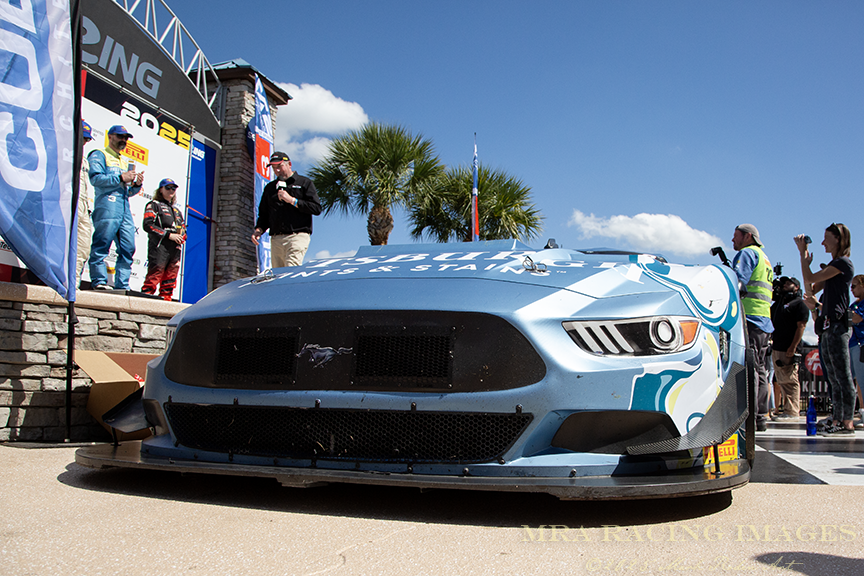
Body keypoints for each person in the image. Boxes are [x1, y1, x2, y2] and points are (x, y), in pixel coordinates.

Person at [795, 223, 855, 436]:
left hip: (838, 326)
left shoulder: (843, 264)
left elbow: (810, 278)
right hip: (828, 326)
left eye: (826, 238)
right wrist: (804, 259)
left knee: (842, 375)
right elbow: (810, 287)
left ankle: (847, 422)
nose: (822, 243)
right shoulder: (833, 267)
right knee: (833, 377)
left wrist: (803, 257)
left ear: (838, 239)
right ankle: (837, 418)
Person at [87, 125, 144, 290]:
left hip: (124, 206)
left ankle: (122, 285)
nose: (123, 140)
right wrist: (120, 177)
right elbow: (96, 179)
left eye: (126, 138)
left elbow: (127, 191)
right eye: (120, 136)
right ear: (110, 136)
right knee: (102, 243)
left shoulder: (124, 161)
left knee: (128, 247)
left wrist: (136, 185)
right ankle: (99, 281)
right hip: (107, 204)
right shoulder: (99, 154)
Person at [731, 224, 774, 432]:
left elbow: (737, 282)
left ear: (748, 236)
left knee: (751, 368)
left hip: (749, 317)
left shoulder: (747, 253)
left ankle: (750, 416)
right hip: (764, 319)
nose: (733, 241)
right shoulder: (764, 257)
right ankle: (760, 416)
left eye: (736, 236)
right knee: (761, 368)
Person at [251, 152, 322, 268]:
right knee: (278, 274)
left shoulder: (304, 183)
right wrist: (259, 230)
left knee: (291, 268)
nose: (277, 171)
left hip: (297, 236)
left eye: (279, 166)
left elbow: (316, 208)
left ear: (289, 164)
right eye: (274, 168)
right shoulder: (270, 188)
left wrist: (292, 200)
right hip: (276, 238)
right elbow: (264, 214)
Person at [770, 277, 809, 420]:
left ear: (796, 287)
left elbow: (801, 326)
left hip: (789, 347)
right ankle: (786, 409)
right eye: (784, 283)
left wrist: (793, 347)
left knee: (790, 379)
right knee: (781, 379)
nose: (785, 285)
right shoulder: (779, 304)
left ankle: (792, 411)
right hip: (777, 345)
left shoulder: (799, 304)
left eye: (788, 283)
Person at [141, 178, 186, 300]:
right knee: (155, 274)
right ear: (160, 190)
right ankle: (145, 300)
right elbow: (148, 225)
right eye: (168, 187)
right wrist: (168, 235)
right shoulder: (154, 205)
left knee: (171, 278)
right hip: (160, 246)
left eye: (173, 188)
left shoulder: (177, 211)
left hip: (175, 248)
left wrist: (183, 235)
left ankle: (166, 301)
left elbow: (183, 228)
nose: (171, 190)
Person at [75, 120, 94, 286]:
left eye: (87, 139)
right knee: (64, 246)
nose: (85, 142)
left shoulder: (85, 160)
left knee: (83, 248)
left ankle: (73, 285)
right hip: (69, 201)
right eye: (83, 137)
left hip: (83, 205)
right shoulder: (64, 152)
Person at [848, 274, 864, 426]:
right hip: (852, 344)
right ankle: (858, 411)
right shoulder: (854, 305)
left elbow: (857, 318)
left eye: (854, 286)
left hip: (861, 344)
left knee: (862, 380)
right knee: (855, 380)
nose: (851, 290)